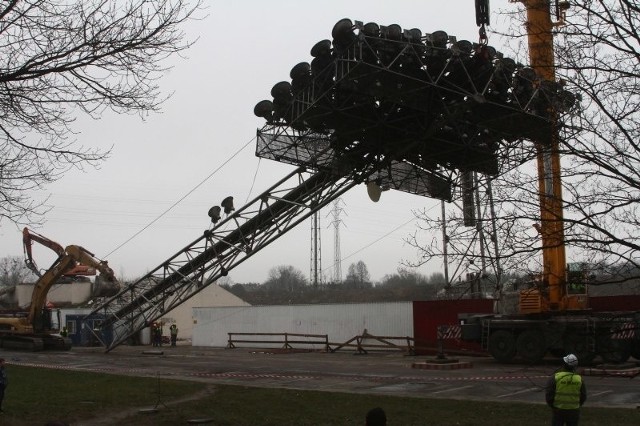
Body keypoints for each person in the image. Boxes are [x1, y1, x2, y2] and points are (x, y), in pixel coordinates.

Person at [546, 354, 587, 426]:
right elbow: (583, 396)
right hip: (574, 411)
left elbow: (549, 394)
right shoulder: (579, 379)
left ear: (564, 364)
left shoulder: (556, 377)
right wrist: (577, 405)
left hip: (558, 410)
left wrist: (553, 406)